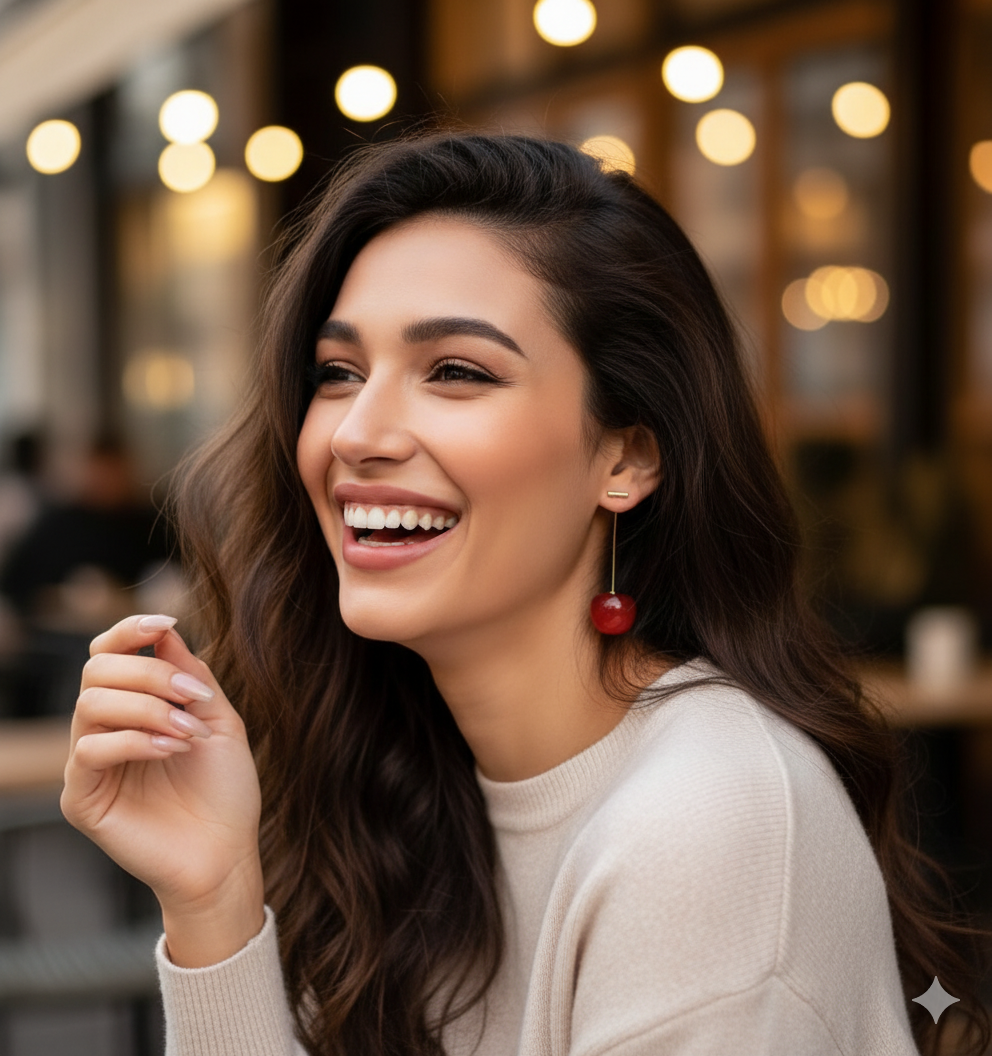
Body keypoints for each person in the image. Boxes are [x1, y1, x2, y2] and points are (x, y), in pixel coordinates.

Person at [61, 132, 988, 1056]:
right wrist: (215, 900)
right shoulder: (403, 785)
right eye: (337, 373)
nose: (357, 433)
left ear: (626, 456)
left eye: (457, 372)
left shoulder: (707, 829)